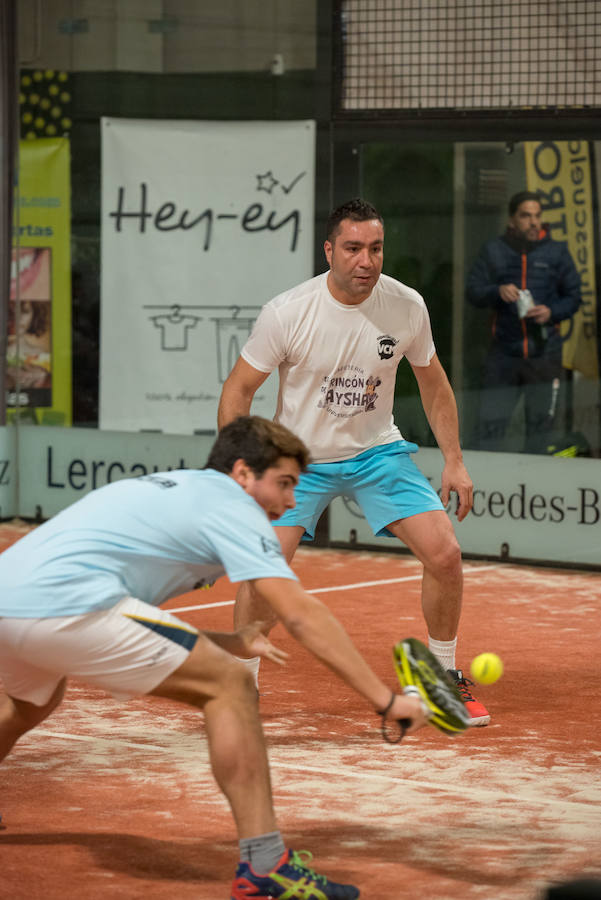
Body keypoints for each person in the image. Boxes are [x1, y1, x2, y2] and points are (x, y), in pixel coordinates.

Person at [0, 415, 427, 900]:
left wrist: (230, 642)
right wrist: (387, 702)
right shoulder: (233, 506)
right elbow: (301, 614)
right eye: (284, 483)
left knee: (29, 704)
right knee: (230, 683)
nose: (291, 501)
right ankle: (265, 868)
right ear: (243, 473)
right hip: (67, 604)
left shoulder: (185, 489)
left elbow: (133, 615)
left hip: (11, 600)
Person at [218, 197, 490, 726]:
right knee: (264, 566)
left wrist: (454, 461)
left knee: (445, 554)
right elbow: (238, 390)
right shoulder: (287, 312)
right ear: (329, 251)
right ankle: (238, 681)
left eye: (375, 248)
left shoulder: (406, 306)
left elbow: (434, 385)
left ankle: (439, 677)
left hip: (376, 452)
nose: (366, 261)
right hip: (296, 458)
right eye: (353, 248)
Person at [466, 190, 581, 453]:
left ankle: (534, 480)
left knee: (541, 434)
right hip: (504, 354)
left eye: (537, 216)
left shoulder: (556, 252)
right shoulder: (495, 250)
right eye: (526, 216)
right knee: (490, 432)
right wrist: (497, 291)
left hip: (545, 355)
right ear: (512, 219)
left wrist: (551, 311)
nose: (534, 222)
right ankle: (488, 479)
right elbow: (473, 290)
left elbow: (574, 297)